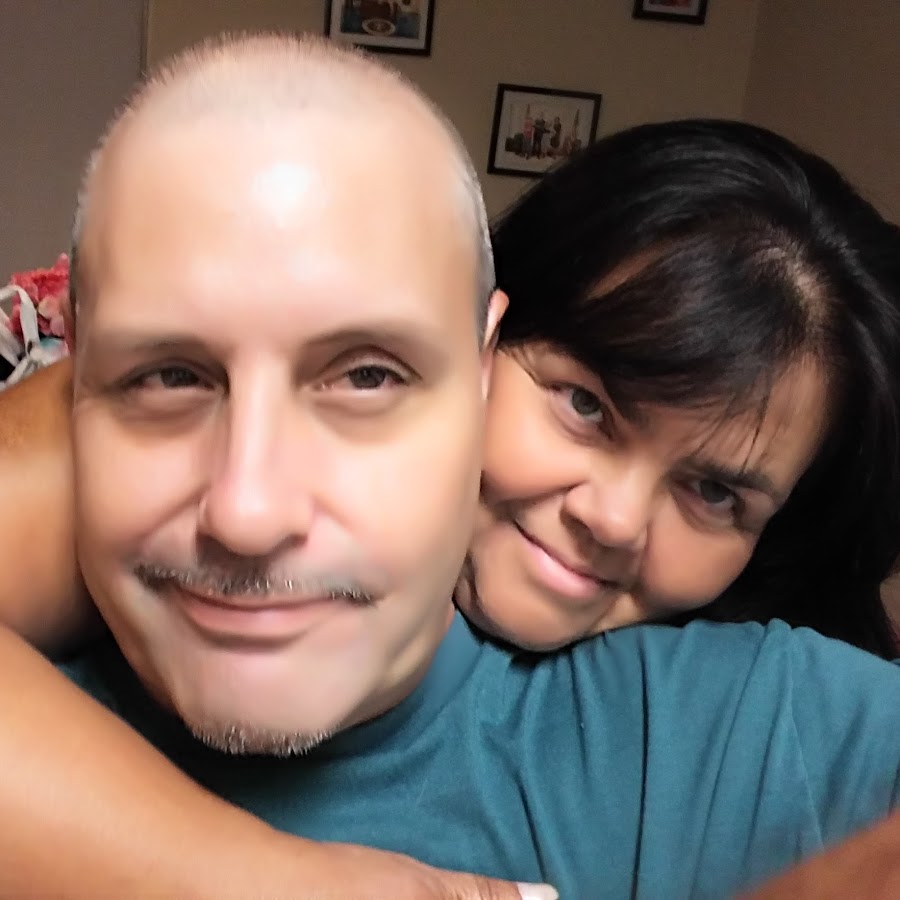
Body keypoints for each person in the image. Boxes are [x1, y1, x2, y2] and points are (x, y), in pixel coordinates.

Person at [1, 31, 900, 899]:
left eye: (713, 491)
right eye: (586, 406)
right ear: (488, 357)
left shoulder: (723, 721)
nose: (613, 518)